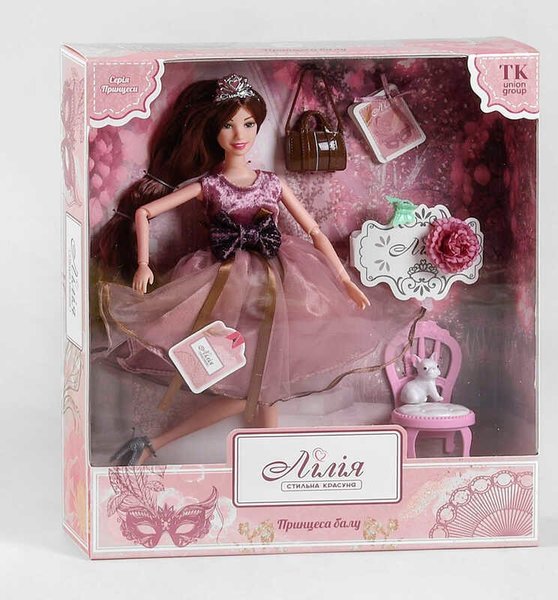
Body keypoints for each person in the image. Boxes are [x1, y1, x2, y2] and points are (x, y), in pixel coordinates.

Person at [95, 74, 381, 465]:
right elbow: (145, 212)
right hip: (227, 284)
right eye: (228, 125)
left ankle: (193, 452)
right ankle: (161, 445)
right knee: (258, 388)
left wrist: (344, 279)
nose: (239, 134)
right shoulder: (211, 185)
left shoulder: (271, 184)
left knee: (265, 388)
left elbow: (314, 231)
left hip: (281, 282)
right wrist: (143, 265)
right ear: (214, 131)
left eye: (247, 124)